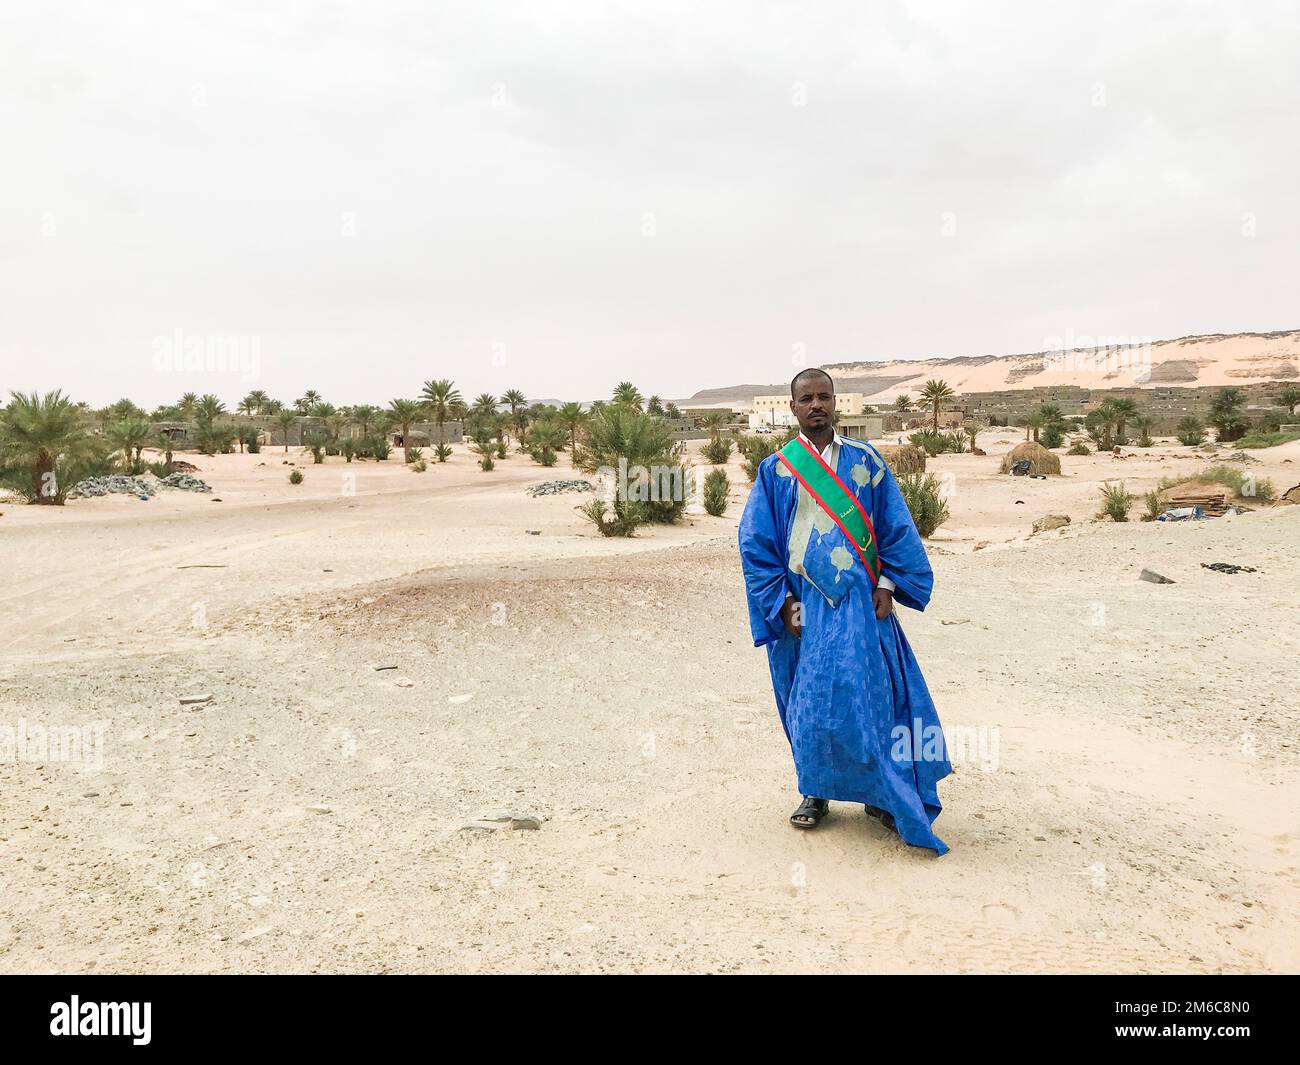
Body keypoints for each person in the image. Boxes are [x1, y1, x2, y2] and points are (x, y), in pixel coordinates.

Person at [737, 368, 951, 854]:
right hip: (802, 609)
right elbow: (756, 543)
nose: (816, 405)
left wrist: (888, 582)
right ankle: (815, 790)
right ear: (792, 408)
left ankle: (881, 792)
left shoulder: (867, 462)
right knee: (808, 703)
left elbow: (895, 526)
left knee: (872, 698)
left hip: (860, 605)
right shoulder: (777, 471)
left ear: (837, 404)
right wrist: (780, 602)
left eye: (824, 397)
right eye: (806, 398)